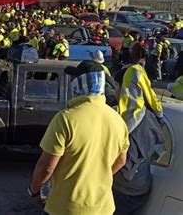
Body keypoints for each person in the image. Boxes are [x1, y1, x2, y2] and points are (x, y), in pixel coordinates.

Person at [29, 60, 129, 215]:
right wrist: (97, 177)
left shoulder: (66, 119)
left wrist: (34, 190)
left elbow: (47, 166)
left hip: (66, 207)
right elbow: (121, 161)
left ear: (78, 84)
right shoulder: (118, 120)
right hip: (103, 207)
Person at [113, 66, 165, 215]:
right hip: (142, 186)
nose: (116, 91)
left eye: (117, 86)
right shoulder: (152, 114)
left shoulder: (129, 122)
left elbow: (123, 163)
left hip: (124, 189)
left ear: (124, 89)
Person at [120, 43, 163, 133]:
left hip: (122, 118)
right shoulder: (136, 70)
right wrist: (159, 113)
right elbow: (149, 94)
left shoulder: (125, 69)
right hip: (134, 120)